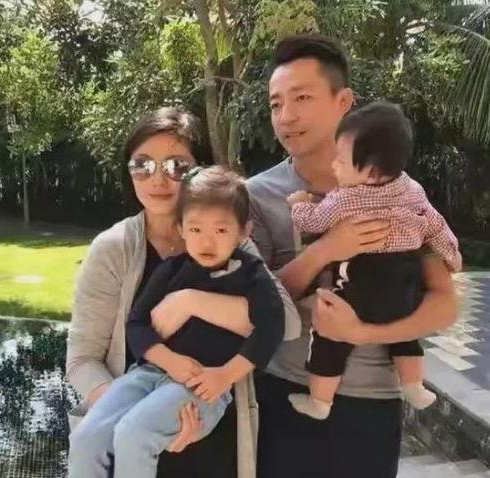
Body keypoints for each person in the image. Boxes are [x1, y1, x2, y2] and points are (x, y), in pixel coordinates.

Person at [247, 35, 458, 478]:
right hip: (282, 392)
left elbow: (444, 304)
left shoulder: (400, 193)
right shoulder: (257, 196)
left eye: (302, 98)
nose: (286, 116)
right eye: (275, 104)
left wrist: (362, 333)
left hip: (373, 401)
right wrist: (328, 248)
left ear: (343, 102)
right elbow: (253, 302)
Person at [66, 107, 300, 478]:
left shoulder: (234, 244)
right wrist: (130, 417)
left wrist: (190, 302)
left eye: (176, 166)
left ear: (198, 174)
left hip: (210, 427)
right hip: (131, 427)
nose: (158, 178)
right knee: (104, 439)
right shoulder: (113, 249)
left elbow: (285, 323)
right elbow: (82, 360)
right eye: (142, 164)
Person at [286, 101, 462, 420]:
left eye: (340, 161)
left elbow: (313, 221)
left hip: (360, 287)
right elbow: (436, 225)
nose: (334, 166)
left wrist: (299, 204)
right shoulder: (413, 190)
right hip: (403, 283)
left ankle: (320, 401)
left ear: (369, 172)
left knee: (328, 337)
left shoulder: (346, 197)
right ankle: (413, 386)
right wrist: (452, 254)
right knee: (405, 335)